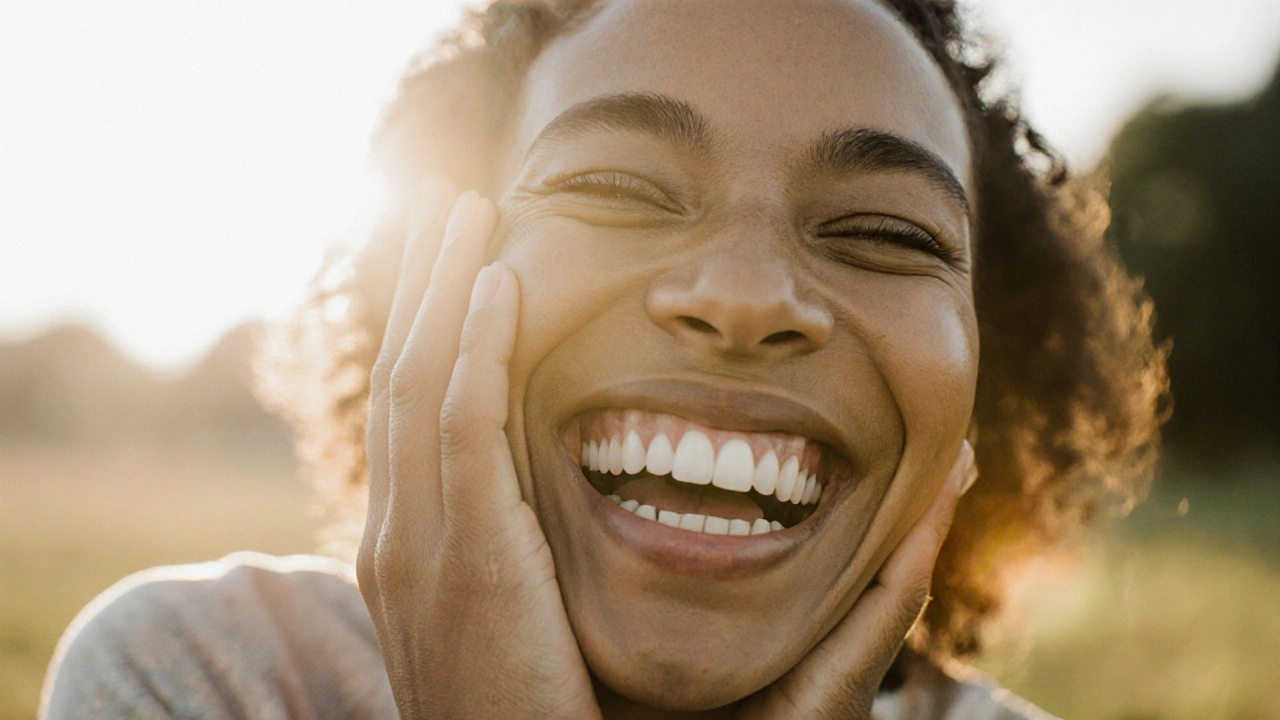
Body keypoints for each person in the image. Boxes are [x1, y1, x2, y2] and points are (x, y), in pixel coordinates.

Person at [40, 1, 1168, 718]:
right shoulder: (203, 681)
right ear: (429, 276)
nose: (742, 296)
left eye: (887, 233)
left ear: (983, 377)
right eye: (616, 189)